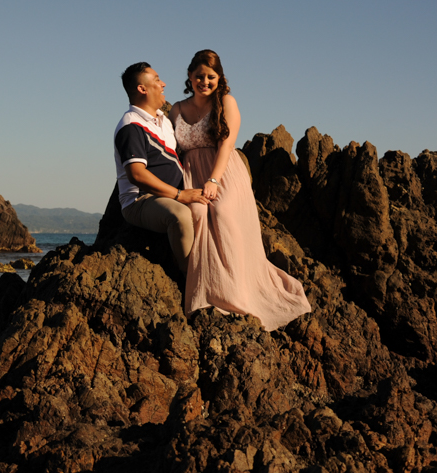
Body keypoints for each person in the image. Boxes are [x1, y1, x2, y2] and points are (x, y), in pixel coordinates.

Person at [169, 49, 311, 331]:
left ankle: (236, 294)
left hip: (223, 172)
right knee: (195, 214)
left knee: (221, 213)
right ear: (189, 76)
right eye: (199, 76)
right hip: (190, 173)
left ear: (219, 78)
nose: (204, 81)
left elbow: (227, 143)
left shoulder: (226, 102)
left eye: (210, 76)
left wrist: (214, 180)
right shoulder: (177, 108)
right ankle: (203, 289)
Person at [114, 62, 208, 273]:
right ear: (142, 89)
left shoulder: (164, 121)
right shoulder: (131, 125)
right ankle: (191, 284)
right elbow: (137, 175)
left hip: (171, 192)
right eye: (157, 79)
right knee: (181, 216)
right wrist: (179, 195)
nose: (163, 83)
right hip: (141, 200)